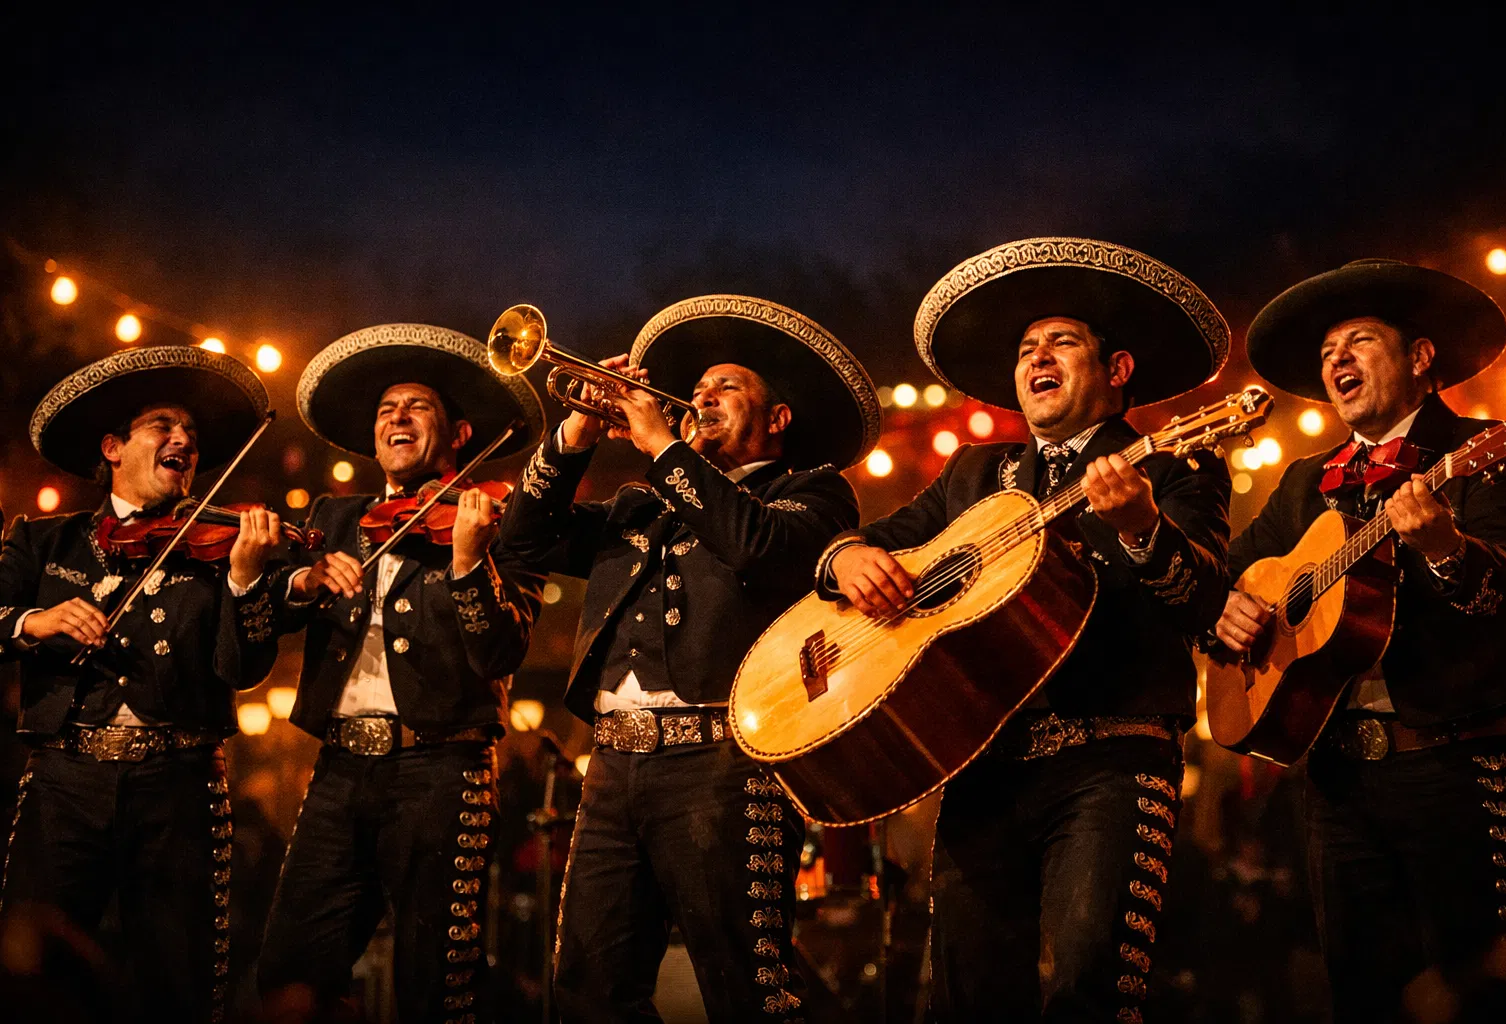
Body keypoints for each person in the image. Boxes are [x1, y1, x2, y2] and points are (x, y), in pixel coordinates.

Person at [823, 238, 1233, 1021]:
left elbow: (1206, 602)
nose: (1037, 357)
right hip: (984, 766)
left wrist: (1144, 526)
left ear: (1117, 372)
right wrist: (845, 556)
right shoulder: (974, 475)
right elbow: (870, 543)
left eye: (1062, 342)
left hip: (1112, 760)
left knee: (1088, 986)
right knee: (967, 994)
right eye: (1026, 349)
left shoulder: (1176, 467)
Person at [501, 294, 880, 1022]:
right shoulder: (640, 504)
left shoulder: (812, 493)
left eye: (726, 389)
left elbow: (757, 547)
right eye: (696, 390)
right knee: (589, 989)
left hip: (724, 767)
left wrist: (662, 447)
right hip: (612, 765)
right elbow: (522, 545)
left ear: (777, 420)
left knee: (748, 990)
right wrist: (574, 438)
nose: (700, 397)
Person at [1213, 259, 1506, 1022]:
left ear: (1421, 358)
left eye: (1359, 340)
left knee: (1484, 993)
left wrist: (1447, 547)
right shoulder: (1302, 482)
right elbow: (1227, 578)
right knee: (1362, 996)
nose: (1337, 360)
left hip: (1455, 765)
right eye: (1329, 352)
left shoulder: (1487, 450)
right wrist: (1226, 610)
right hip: (1336, 782)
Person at [256, 323, 547, 1022]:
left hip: (442, 769)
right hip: (338, 770)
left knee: (437, 986)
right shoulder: (337, 516)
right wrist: (301, 580)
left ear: (459, 434)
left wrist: (472, 563)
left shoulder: (501, 520)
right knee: (289, 973)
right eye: (387, 409)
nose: (397, 417)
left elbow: (501, 652)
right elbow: (263, 613)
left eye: (418, 407)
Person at [0, 346, 285, 1022]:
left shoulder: (217, 550)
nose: (183, 439)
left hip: (179, 784)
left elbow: (246, 669)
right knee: (31, 971)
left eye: (189, 430)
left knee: (179, 980)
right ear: (113, 447)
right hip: (65, 783)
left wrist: (246, 579)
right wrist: (36, 622)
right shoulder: (44, 542)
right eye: (163, 424)